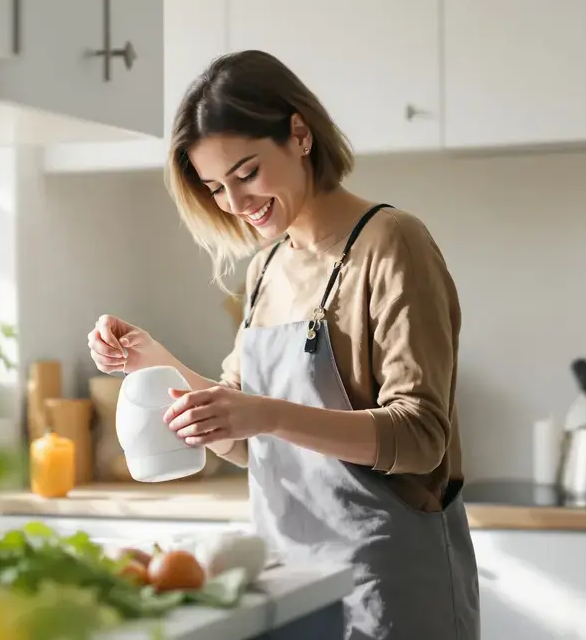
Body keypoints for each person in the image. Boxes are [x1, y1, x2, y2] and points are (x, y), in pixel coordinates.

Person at [87, 49, 478, 640]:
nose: (236, 205)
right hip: (289, 580)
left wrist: (263, 414)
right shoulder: (265, 269)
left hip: (387, 585)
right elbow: (250, 440)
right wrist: (155, 363)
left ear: (299, 134)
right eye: (216, 187)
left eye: (246, 173)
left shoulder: (392, 243)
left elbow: (422, 437)